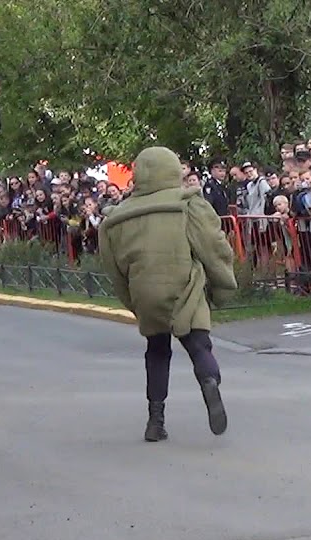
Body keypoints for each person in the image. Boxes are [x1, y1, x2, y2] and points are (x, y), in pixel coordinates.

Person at [98, 146, 239, 442]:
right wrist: (222, 285)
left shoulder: (116, 218)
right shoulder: (188, 204)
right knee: (199, 344)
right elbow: (213, 248)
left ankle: (155, 419)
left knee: (157, 351)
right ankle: (209, 382)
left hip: (144, 290)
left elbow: (114, 270)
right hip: (185, 284)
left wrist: (133, 300)